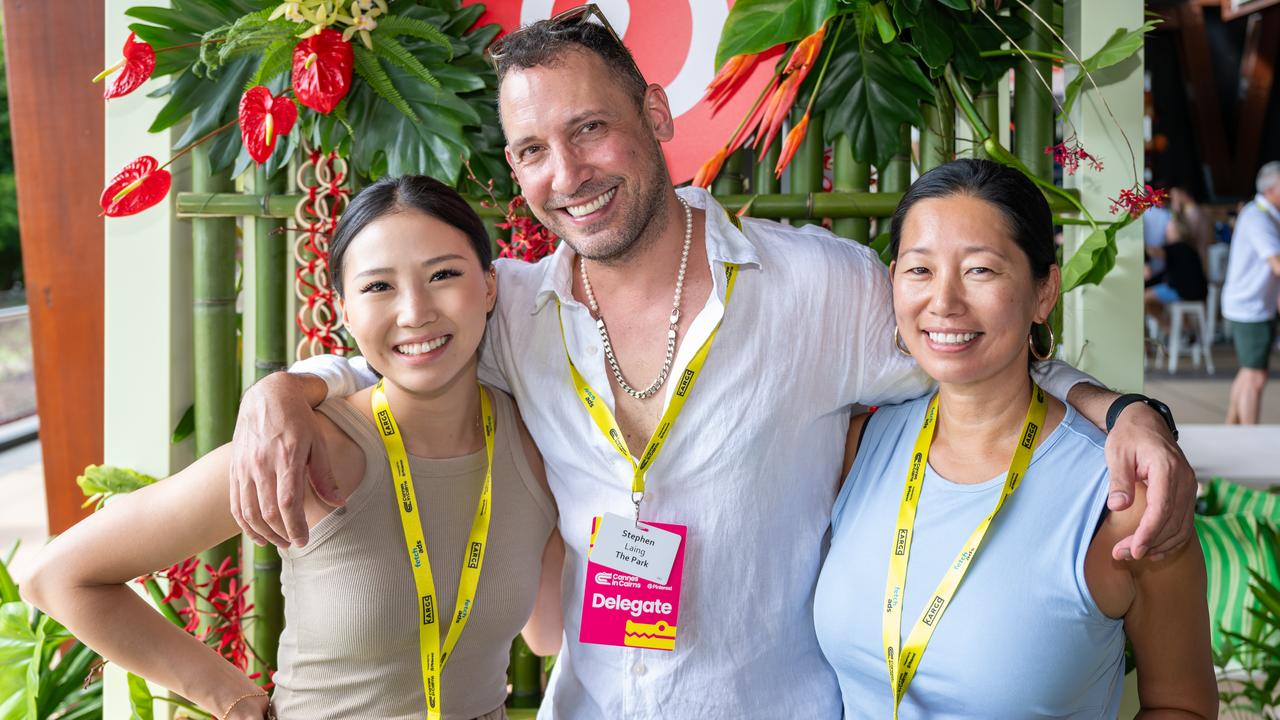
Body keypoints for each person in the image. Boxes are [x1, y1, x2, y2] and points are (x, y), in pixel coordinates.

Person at [228, 7, 1197, 718]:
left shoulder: (816, 286)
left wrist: (1120, 412)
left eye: (588, 128)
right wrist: (292, 386)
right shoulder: (512, 305)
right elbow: (406, 346)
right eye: (531, 150)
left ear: (652, 113)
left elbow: (968, 338)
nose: (565, 175)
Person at [20, 176, 563, 720]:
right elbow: (60, 577)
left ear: (490, 286)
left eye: (444, 274)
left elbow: (547, 632)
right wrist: (227, 697)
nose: (415, 311)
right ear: (345, 311)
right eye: (379, 287)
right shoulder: (307, 444)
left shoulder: (536, 441)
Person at [814, 159, 1217, 719]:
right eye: (920, 270)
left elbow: (1183, 704)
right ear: (893, 282)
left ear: (1044, 291)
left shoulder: (1126, 498)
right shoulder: (859, 445)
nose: (945, 302)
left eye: (980, 270)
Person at [1223, 161, 1280, 424]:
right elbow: (1276, 263)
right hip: (1250, 306)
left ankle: (1231, 429)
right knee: (1255, 376)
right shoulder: (1258, 216)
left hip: (1251, 304)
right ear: (1271, 189)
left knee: (1248, 373)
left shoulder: (1262, 213)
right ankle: (1248, 436)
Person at [1144, 212, 1209, 333]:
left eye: (1168, 227)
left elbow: (1153, 251)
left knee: (1143, 297)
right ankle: (1185, 329)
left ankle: (1168, 328)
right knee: (1155, 297)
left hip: (1184, 291)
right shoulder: (1188, 248)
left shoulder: (1176, 247)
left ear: (1177, 230)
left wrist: (1140, 242)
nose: (1165, 230)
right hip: (1197, 292)